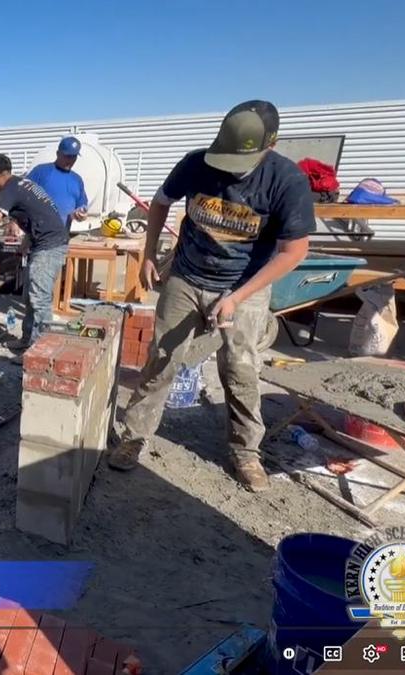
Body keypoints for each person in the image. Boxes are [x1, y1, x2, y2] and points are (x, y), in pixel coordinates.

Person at [108, 100, 314, 493]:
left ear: (271, 145)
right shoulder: (196, 163)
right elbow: (161, 202)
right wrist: (149, 253)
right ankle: (134, 436)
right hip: (187, 276)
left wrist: (238, 297)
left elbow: (294, 251)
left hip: (246, 286)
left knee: (239, 367)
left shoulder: (286, 181)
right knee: (163, 359)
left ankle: (245, 451)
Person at [0, 154, 70, 360]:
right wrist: (22, 249)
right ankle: (28, 341)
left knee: (39, 299)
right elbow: (36, 218)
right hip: (42, 243)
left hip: (50, 246)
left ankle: (39, 354)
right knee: (29, 296)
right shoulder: (22, 184)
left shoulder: (8, 190)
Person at [27, 136, 89, 228]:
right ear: (58, 153)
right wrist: (14, 221)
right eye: (67, 156)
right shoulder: (41, 172)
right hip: (37, 235)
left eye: (74, 157)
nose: (70, 160)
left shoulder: (77, 180)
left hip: (62, 236)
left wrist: (81, 214)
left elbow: (82, 205)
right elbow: (20, 195)